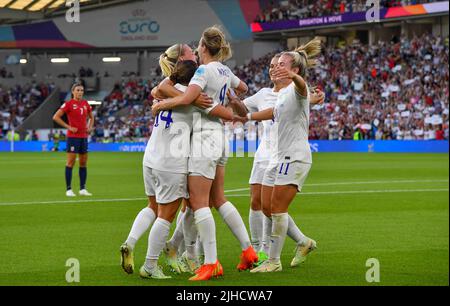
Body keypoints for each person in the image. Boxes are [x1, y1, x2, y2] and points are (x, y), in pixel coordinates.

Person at [153, 25, 251, 281]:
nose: (196, 49)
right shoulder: (225, 70)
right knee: (216, 198)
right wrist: (229, 96)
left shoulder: (202, 70)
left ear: (204, 47)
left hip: (203, 139)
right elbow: (245, 88)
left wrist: (162, 103)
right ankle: (244, 251)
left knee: (198, 203)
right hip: (220, 139)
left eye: (198, 45)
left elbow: (187, 100)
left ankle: (210, 262)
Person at [119, 43, 211, 276]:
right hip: (171, 163)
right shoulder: (194, 97)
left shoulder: (165, 91)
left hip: (150, 157)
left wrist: (160, 103)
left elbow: (157, 91)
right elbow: (214, 110)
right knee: (165, 217)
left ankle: (130, 242)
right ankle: (150, 265)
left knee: (152, 206)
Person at [228, 54, 325, 267]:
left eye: (281, 65)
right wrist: (244, 116)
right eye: (273, 66)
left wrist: (294, 77)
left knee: (276, 209)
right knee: (265, 206)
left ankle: (272, 259)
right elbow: (273, 112)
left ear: (295, 71)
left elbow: (301, 88)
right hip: (276, 157)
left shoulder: (298, 87)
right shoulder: (279, 95)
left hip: (293, 156)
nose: (275, 69)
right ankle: (298, 243)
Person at [53, 83, 94, 197]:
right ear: (73, 92)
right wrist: (69, 127)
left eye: (82, 90)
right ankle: (69, 189)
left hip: (83, 137)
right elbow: (55, 117)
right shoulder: (68, 104)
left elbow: (91, 117)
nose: (80, 92)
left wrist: (90, 127)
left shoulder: (85, 104)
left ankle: (82, 189)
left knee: (83, 162)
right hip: (73, 137)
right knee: (70, 162)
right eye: (78, 90)